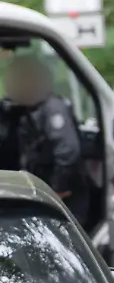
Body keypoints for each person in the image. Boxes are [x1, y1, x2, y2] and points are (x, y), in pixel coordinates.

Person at [1, 56, 88, 223]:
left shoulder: (52, 108)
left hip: (64, 196)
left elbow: (68, 150)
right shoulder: (25, 110)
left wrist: (58, 189)